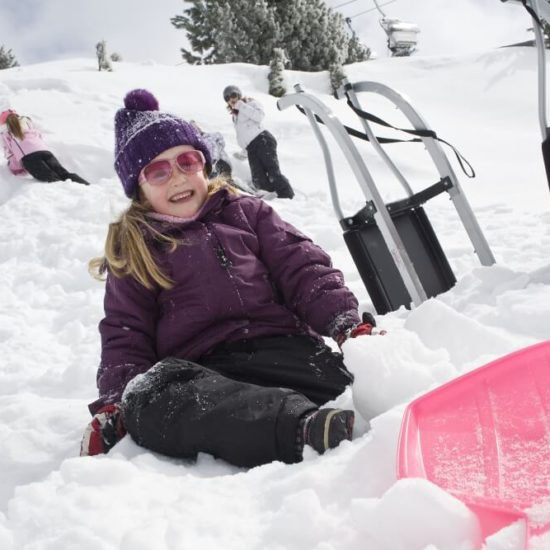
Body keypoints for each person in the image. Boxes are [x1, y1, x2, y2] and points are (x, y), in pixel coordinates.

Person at [81, 88, 381, 468]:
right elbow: (126, 331)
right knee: (147, 399)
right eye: (158, 170)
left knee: (361, 382)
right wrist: (115, 402)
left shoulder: (247, 212)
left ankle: (389, 407)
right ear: (138, 188)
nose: (177, 177)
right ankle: (300, 428)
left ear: (204, 164)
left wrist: (346, 326)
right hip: (207, 378)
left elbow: (302, 268)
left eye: (187, 161)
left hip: (287, 352)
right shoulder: (135, 247)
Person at [222, 84, 295, 200]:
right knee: (258, 178)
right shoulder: (235, 117)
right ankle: (273, 199)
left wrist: (241, 105)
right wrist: (243, 153)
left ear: (239, 95)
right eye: (227, 98)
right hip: (251, 147)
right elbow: (245, 136)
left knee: (273, 172)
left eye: (233, 95)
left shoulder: (250, 103)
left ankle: (287, 196)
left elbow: (259, 116)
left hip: (262, 140)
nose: (231, 99)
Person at [0, 110, 90, 185]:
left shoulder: (6, 133)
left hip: (30, 158)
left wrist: (16, 170)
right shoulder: (28, 125)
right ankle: (87, 187)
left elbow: (11, 155)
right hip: (45, 152)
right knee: (64, 174)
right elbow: (40, 138)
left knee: (52, 180)